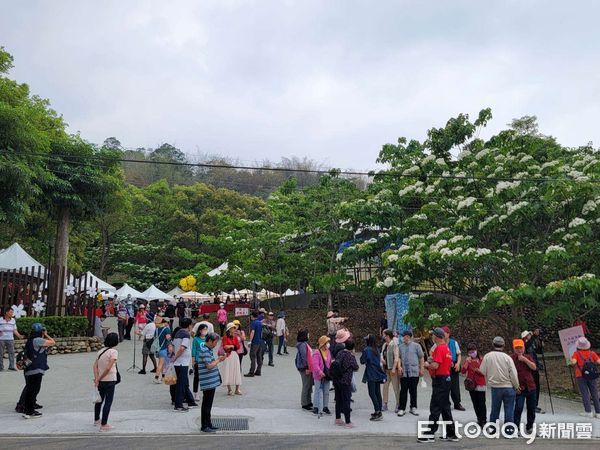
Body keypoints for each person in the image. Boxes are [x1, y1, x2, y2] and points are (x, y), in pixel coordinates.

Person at [418, 327, 458, 443]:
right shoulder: (446, 348)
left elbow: (436, 366)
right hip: (446, 379)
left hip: (440, 379)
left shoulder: (440, 348)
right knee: (445, 408)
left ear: (437, 336)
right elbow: (448, 363)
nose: (431, 337)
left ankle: (430, 433)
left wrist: (426, 364)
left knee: (435, 406)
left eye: (433, 335)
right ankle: (451, 433)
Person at [480, 336, 519, 432]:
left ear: (493, 344)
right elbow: (513, 374)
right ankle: (509, 431)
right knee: (509, 410)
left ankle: (493, 430)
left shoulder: (488, 356)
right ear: (503, 345)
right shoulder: (507, 358)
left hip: (495, 388)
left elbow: (482, 371)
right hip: (509, 387)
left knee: (495, 410)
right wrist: (517, 386)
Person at [17, 323, 55, 419]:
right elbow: (52, 342)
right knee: (33, 390)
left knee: (30, 390)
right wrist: (46, 334)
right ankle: (30, 412)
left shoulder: (30, 340)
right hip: (36, 369)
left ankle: (27, 409)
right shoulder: (38, 340)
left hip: (29, 369)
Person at [198, 332, 227, 432]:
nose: (216, 345)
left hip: (210, 381)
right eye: (215, 342)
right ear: (209, 341)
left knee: (208, 404)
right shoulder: (204, 350)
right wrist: (219, 360)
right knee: (206, 404)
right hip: (208, 381)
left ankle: (208, 424)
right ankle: (204, 425)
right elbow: (209, 366)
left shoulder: (207, 349)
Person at [93, 332, 119, 431]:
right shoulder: (113, 352)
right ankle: (104, 424)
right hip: (110, 379)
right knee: (108, 401)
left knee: (99, 400)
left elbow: (94, 366)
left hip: (101, 380)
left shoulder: (100, 351)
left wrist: (97, 378)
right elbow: (109, 368)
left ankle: (96, 419)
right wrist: (99, 378)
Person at [172, 317, 199, 412]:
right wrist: (175, 357)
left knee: (184, 383)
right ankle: (178, 405)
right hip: (181, 363)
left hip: (179, 362)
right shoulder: (185, 335)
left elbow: (173, 346)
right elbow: (182, 348)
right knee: (181, 384)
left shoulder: (177, 333)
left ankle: (190, 400)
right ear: (189, 326)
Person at [570, 336, 600, 418]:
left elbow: (573, 362)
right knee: (595, 393)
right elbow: (598, 361)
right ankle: (598, 412)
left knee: (585, 393)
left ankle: (588, 412)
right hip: (592, 376)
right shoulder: (592, 353)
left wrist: (572, 360)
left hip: (580, 375)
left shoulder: (576, 354)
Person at [512, 338, 537, 433]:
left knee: (531, 408)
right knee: (518, 407)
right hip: (519, 387)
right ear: (514, 348)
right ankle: (515, 427)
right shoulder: (511, 358)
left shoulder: (528, 356)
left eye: (521, 348)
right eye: (517, 348)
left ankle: (529, 426)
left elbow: (534, 367)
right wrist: (514, 386)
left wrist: (525, 360)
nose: (519, 350)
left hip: (531, 386)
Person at [333, 338, 359, 428]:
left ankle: (338, 418)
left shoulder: (340, 353)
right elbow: (356, 367)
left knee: (338, 399)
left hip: (336, 380)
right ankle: (348, 422)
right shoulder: (350, 356)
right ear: (352, 348)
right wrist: (354, 355)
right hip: (345, 381)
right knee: (346, 400)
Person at [398, 329, 424, 416]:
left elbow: (421, 358)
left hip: (414, 372)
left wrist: (422, 369)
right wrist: (399, 367)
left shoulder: (417, 346)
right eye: (403, 336)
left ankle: (413, 407)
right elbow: (398, 358)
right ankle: (402, 408)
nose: (403, 338)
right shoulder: (400, 346)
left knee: (413, 391)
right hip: (404, 372)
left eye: (404, 336)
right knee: (403, 391)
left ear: (409, 337)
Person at [360, 334, 387, 421]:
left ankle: (377, 412)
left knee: (372, 393)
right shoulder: (377, 349)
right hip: (378, 372)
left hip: (371, 373)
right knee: (377, 392)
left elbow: (362, 361)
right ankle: (379, 410)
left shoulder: (366, 350)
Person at [461, 342, 487, 426]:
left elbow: (485, 372)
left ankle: (483, 420)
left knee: (482, 403)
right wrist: (466, 363)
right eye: (470, 352)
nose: (472, 353)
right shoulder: (468, 360)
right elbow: (463, 371)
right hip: (471, 384)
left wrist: (479, 371)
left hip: (480, 384)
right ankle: (479, 418)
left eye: (473, 351)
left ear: (476, 350)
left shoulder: (481, 360)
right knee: (475, 402)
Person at [442, 326, 464, 411]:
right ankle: (446, 403)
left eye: (444, 333)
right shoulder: (440, 343)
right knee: (444, 385)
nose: (443, 335)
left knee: (455, 385)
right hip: (444, 366)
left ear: (448, 334)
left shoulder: (454, 342)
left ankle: (457, 403)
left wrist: (458, 363)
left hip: (453, 365)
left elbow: (459, 354)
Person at [522, 329, 544, 413]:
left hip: (535, 367)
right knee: (532, 387)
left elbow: (539, 351)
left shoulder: (532, 343)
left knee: (537, 386)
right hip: (528, 369)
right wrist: (534, 336)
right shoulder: (524, 344)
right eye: (528, 335)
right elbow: (527, 345)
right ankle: (532, 405)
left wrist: (540, 342)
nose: (530, 335)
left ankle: (535, 404)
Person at [381, 330, 401, 413]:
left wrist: (393, 368)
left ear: (388, 336)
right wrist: (382, 359)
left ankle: (398, 404)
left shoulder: (394, 345)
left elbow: (396, 358)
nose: (383, 336)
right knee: (385, 386)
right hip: (386, 369)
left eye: (384, 335)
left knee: (396, 387)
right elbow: (381, 354)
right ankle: (385, 403)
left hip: (393, 370)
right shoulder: (385, 345)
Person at [312, 335, 332, 416]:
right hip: (318, 375)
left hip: (327, 375)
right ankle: (316, 407)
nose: (328, 344)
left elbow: (330, 362)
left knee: (326, 391)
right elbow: (315, 365)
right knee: (317, 391)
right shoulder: (317, 352)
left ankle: (325, 406)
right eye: (327, 342)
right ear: (323, 343)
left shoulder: (328, 352)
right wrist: (320, 372)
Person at [220, 322, 242, 395]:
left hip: (234, 354)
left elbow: (238, 346)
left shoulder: (235, 337)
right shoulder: (225, 337)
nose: (234, 329)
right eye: (233, 328)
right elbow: (225, 346)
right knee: (228, 370)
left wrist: (231, 346)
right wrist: (232, 346)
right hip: (228, 355)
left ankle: (237, 389)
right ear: (229, 329)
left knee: (237, 370)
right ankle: (229, 389)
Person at [295, 328, 314, 410]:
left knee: (309, 384)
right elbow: (304, 357)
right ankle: (304, 403)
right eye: (307, 334)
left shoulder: (304, 343)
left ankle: (309, 401)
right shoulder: (302, 345)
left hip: (306, 367)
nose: (309, 335)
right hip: (304, 367)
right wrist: (307, 367)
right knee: (306, 385)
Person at [192, 323, 208, 401]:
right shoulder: (196, 339)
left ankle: (206, 391)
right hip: (198, 360)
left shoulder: (208, 338)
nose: (205, 331)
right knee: (197, 377)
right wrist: (193, 361)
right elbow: (194, 350)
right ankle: (195, 393)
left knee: (206, 377)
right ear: (200, 330)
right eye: (204, 329)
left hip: (206, 360)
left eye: (206, 329)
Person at [153, 315, 172, 384]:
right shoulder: (167, 330)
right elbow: (168, 339)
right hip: (163, 349)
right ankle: (156, 378)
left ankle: (163, 376)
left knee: (162, 363)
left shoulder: (156, 330)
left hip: (157, 349)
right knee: (160, 364)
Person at [244, 311, 263, 377]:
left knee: (252, 356)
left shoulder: (253, 323)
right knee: (259, 356)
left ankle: (251, 372)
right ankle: (258, 370)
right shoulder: (260, 323)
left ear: (252, 316)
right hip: (260, 341)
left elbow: (252, 332)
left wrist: (250, 341)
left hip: (255, 342)